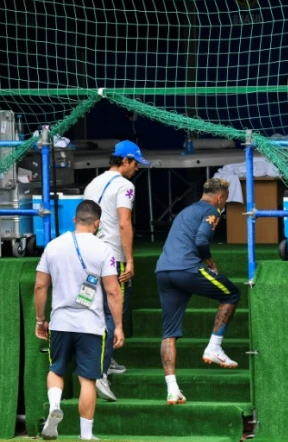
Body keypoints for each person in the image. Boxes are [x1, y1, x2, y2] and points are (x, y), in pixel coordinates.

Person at [34, 200, 124, 441]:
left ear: (74, 220)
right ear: (97, 224)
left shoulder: (53, 246)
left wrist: (40, 319)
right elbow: (113, 291)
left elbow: (41, 285)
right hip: (91, 325)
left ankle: (55, 404)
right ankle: (86, 435)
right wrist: (119, 326)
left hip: (61, 321)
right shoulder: (104, 249)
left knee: (56, 369)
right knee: (88, 379)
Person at [155, 178, 241, 405]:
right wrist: (210, 262)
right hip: (187, 268)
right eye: (225, 200)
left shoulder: (186, 211)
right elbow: (202, 240)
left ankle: (172, 389)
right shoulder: (213, 211)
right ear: (220, 197)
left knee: (169, 332)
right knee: (231, 294)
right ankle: (214, 347)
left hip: (163, 271)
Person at [83, 140, 149, 401]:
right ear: (125, 161)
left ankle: (104, 362)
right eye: (135, 163)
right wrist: (130, 260)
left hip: (88, 255)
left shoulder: (92, 183)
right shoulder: (125, 186)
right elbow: (124, 224)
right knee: (113, 313)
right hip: (112, 258)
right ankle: (99, 371)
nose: (136, 169)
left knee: (91, 308)